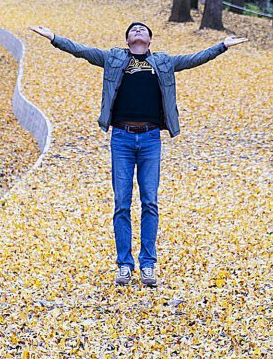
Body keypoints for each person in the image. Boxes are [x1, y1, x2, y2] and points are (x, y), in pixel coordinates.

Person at [29, 21, 246, 287]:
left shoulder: (164, 62)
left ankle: (148, 265)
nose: (138, 31)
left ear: (150, 41)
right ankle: (124, 265)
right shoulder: (113, 58)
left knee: (150, 202)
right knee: (122, 203)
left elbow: (193, 60)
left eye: (143, 30)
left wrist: (222, 46)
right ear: (128, 39)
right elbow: (81, 51)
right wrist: (53, 37)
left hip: (150, 138)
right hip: (121, 137)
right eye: (134, 30)